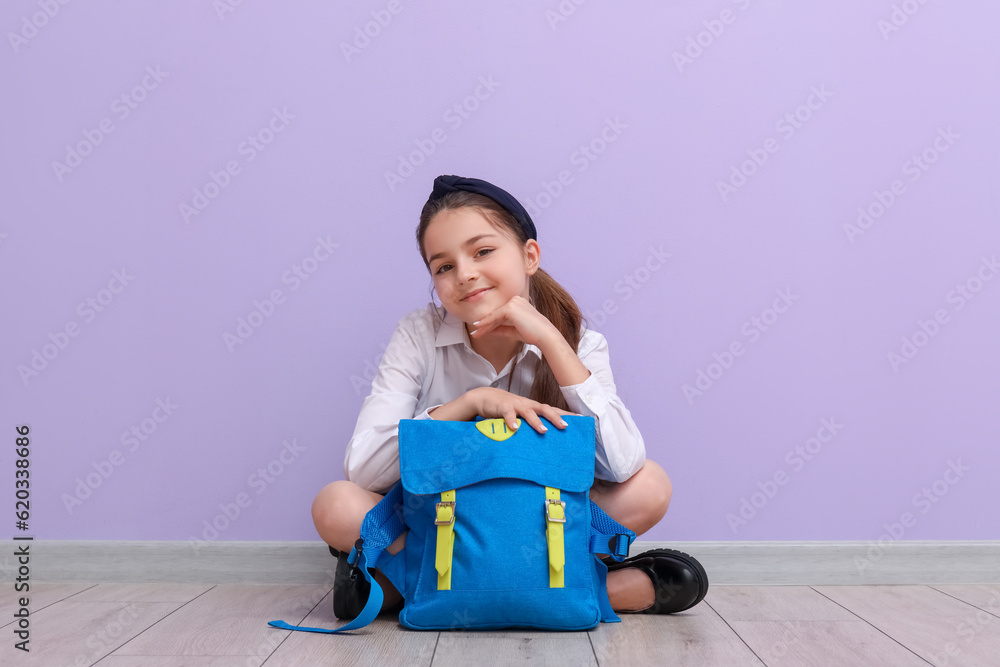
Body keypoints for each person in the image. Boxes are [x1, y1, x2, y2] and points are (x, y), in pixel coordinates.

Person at [312, 175, 708, 619]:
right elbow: (364, 469)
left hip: (537, 525)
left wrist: (552, 343)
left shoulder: (581, 344)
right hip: (439, 523)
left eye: (482, 251)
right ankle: (605, 591)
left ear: (529, 255)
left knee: (650, 485)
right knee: (336, 503)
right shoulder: (417, 335)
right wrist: (469, 404)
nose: (464, 274)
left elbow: (622, 463)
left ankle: (404, 588)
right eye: (443, 266)